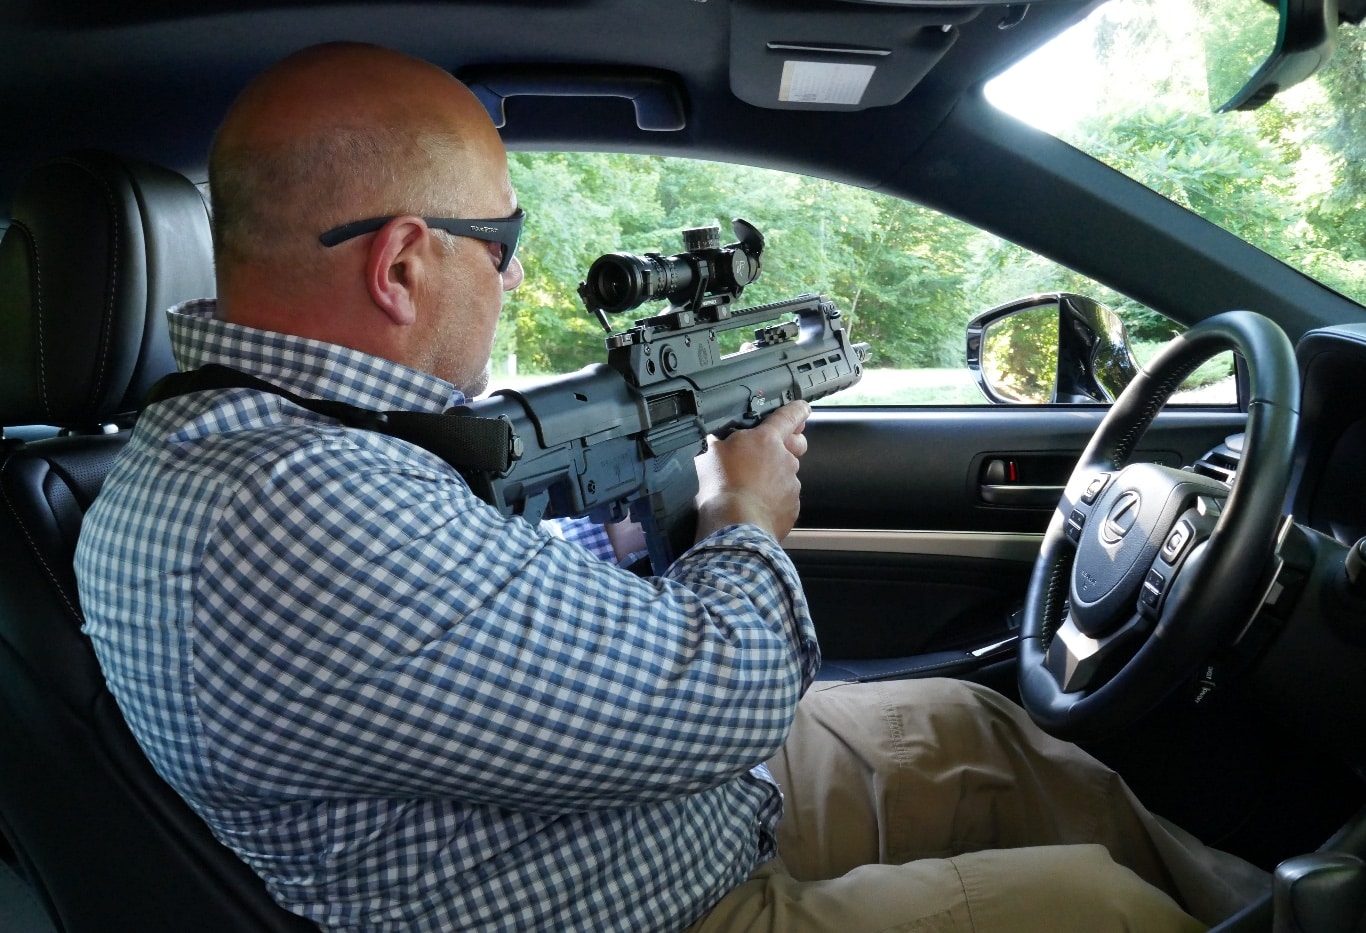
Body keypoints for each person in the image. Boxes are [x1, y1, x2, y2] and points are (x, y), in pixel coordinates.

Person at [75, 42, 1268, 932]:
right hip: (648, 906)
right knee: (1097, 909)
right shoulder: (297, 502)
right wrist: (745, 503)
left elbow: (503, 641)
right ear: (400, 263)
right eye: (501, 244)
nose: (508, 276)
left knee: (975, 734)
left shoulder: (240, 449)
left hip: (631, 816)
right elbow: (729, 701)